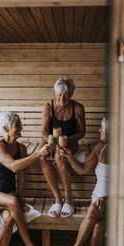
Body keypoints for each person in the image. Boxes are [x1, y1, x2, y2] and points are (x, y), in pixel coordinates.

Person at [0, 111, 51, 246]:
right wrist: (38, 154)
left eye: (20, 125)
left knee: (9, 219)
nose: (21, 128)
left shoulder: (22, 149)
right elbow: (13, 166)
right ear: (6, 129)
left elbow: (22, 176)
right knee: (12, 201)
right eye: (17, 126)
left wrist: (20, 198)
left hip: (8, 195)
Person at [52, 117, 108, 246]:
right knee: (98, 226)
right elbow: (82, 170)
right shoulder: (100, 147)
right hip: (97, 199)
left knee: (94, 208)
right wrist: (69, 156)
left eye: (102, 127)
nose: (99, 130)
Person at [39, 77, 86, 218]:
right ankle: (58, 199)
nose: (62, 98)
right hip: (52, 138)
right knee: (42, 155)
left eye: (65, 95)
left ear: (71, 94)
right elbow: (43, 132)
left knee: (60, 156)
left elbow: (82, 132)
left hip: (70, 139)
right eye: (59, 94)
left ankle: (69, 200)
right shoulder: (48, 107)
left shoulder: (78, 108)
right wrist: (51, 142)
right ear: (56, 93)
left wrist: (66, 140)